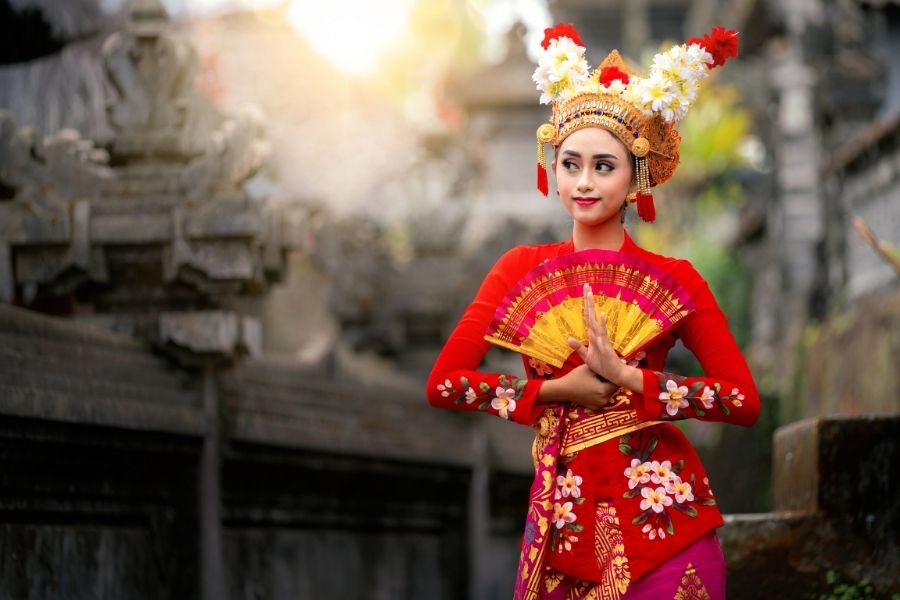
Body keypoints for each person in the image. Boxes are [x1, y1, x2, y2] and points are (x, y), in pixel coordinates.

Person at [426, 23, 758, 600]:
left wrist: (633, 379)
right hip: (563, 532)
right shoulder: (517, 269)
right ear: (552, 168)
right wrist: (558, 392)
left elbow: (741, 400)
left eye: (604, 166)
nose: (583, 182)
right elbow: (445, 385)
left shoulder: (676, 281)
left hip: (668, 532)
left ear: (636, 177)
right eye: (570, 163)